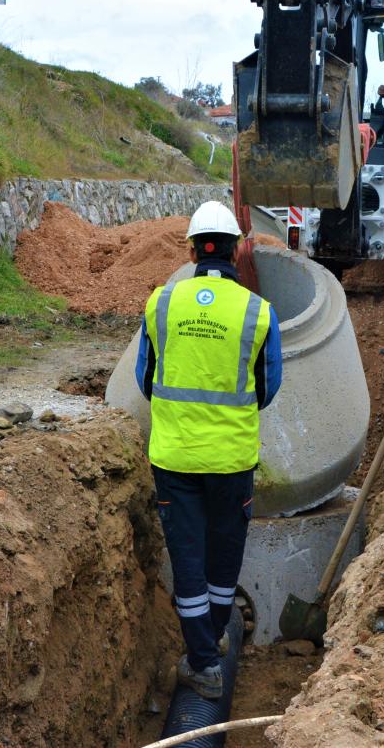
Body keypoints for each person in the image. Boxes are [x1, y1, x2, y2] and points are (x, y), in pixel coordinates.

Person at [134, 201, 282, 699]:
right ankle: (212, 645)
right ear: (238, 250)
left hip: (174, 458)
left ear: (193, 250)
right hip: (232, 459)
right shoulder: (257, 312)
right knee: (223, 560)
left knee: (188, 560)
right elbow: (269, 386)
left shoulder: (161, 303)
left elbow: (144, 379)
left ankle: (202, 662)